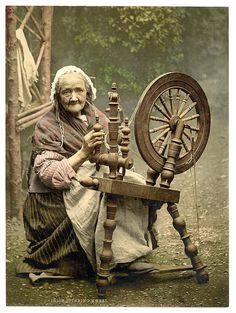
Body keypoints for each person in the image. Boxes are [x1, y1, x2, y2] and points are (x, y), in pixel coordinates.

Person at [17, 65, 157, 283]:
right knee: (101, 194)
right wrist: (83, 152)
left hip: (84, 177)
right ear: (57, 96)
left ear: (88, 92)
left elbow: (110, 148)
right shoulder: (47, 125)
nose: (74, 98)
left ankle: (128, 252)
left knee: (133, 184)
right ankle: (114, 259)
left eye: (78, 91)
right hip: (51, 196)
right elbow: (50, 175)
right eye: (66, 92)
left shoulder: (94, 114)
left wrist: (116, 142)